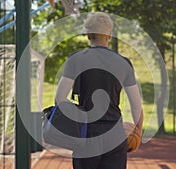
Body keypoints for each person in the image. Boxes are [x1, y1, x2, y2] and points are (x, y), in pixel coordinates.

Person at [55, 12, 143, 169]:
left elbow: (59, 99)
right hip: (115, 133)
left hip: (87, 133)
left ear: (88, 34)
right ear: (109, 35)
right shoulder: (124, 63)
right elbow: (136, 106)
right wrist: (138, 134)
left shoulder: (76, 59)